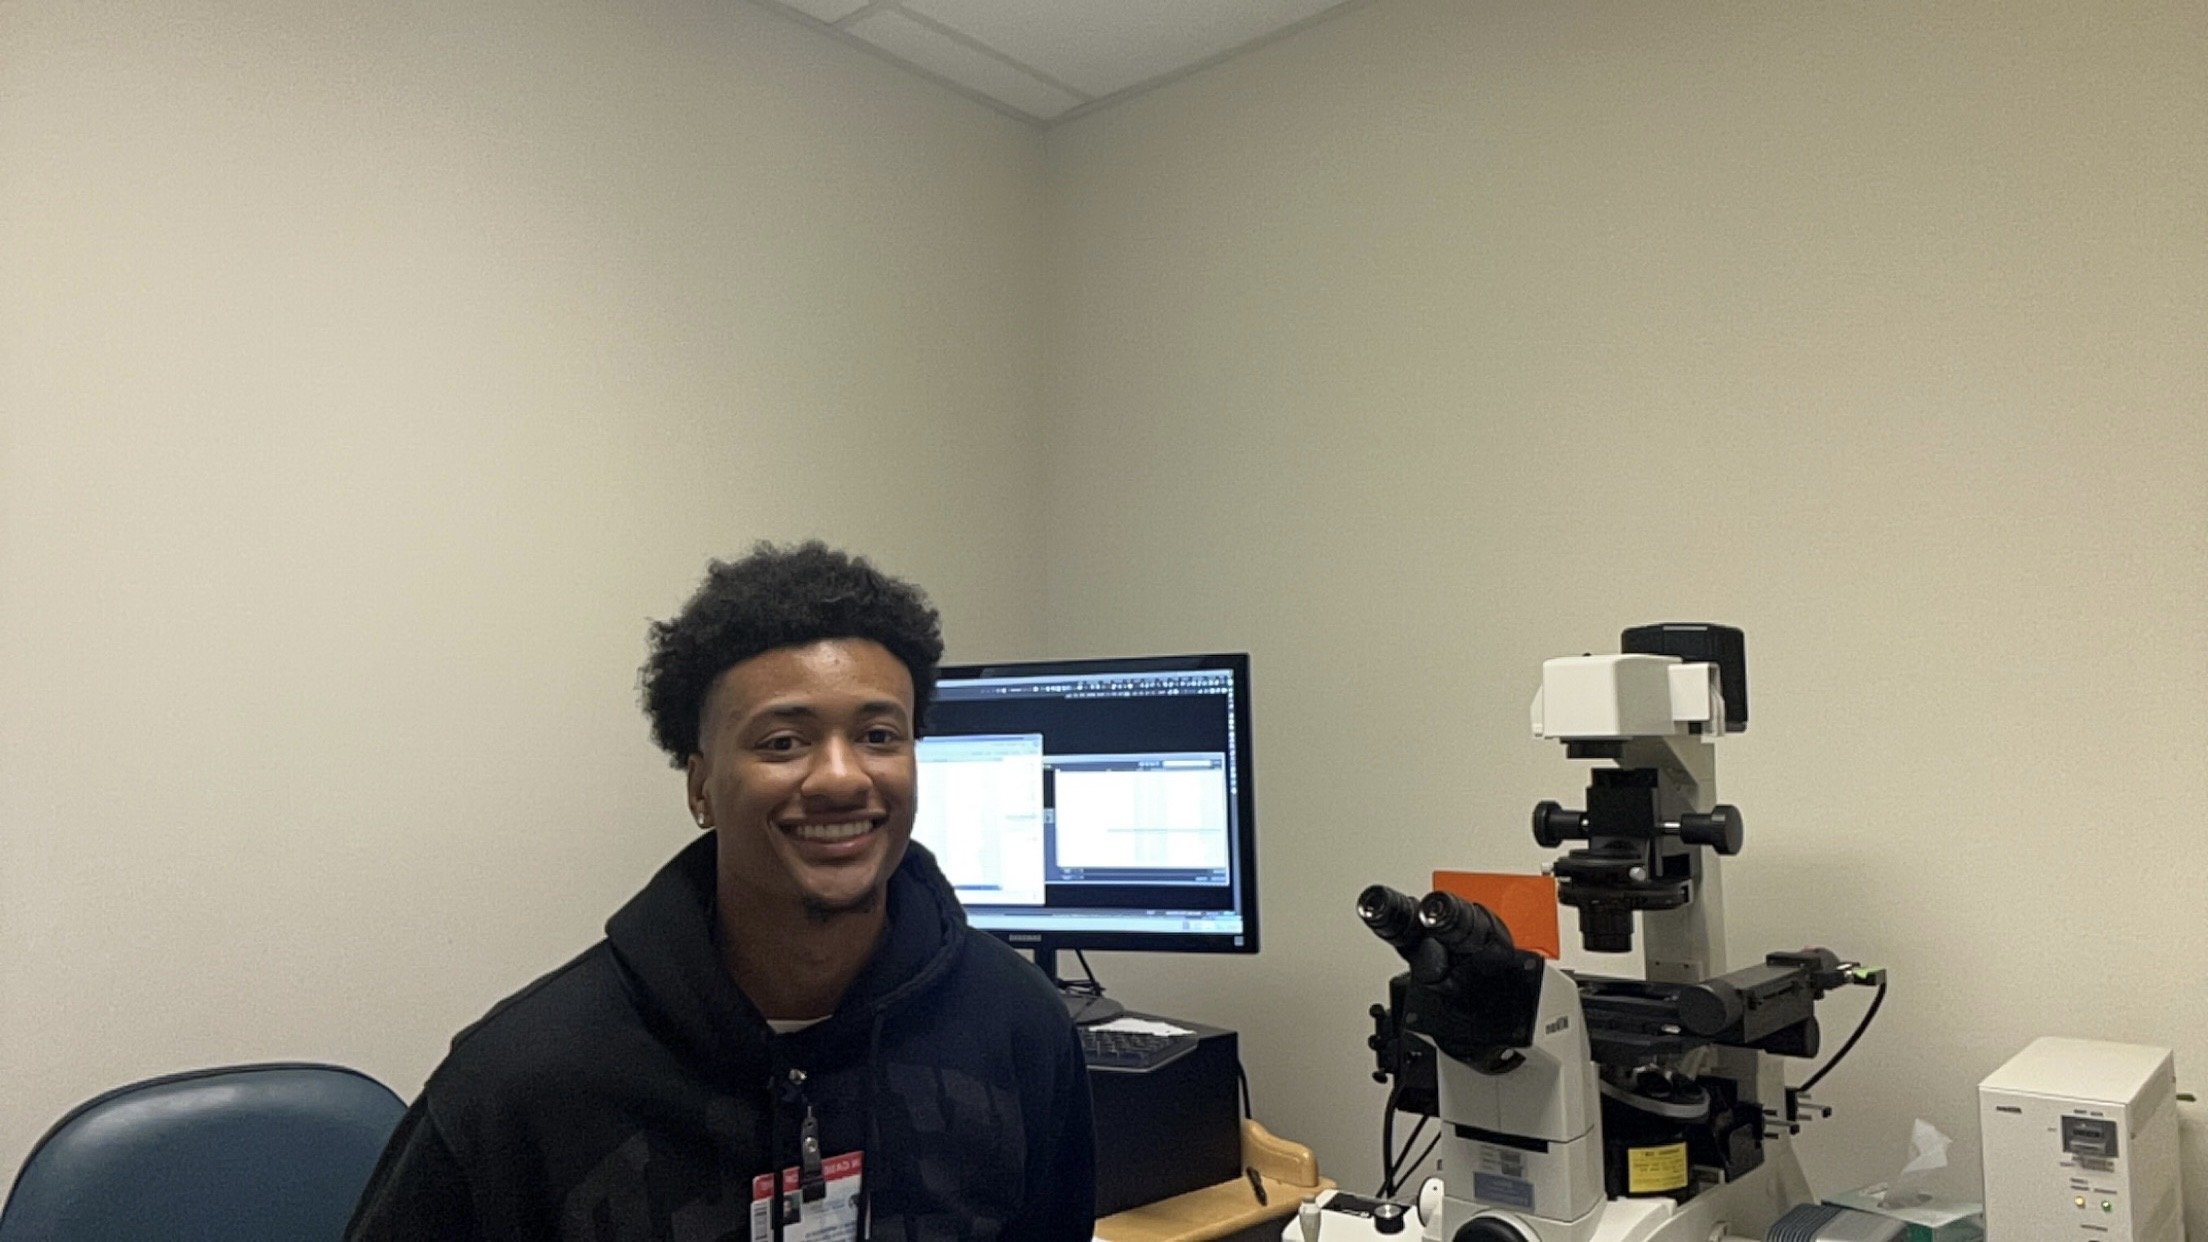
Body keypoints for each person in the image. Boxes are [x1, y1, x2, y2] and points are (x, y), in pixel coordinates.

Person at [347, 542, 1096, 1241]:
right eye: (783, 742)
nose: (842, 778)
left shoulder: (1019, 1026)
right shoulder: (519, 1086)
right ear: (701, 786)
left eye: (879, 736)